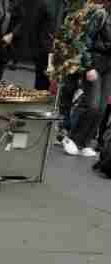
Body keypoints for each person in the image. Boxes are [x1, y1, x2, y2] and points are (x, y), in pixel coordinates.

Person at [67, 0, 111, 155]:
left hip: (109, 67)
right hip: (95, 63)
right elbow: (85, 40)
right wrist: (89, 66)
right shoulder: (101, 14)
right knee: (92, 104)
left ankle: (86, 142)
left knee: (102, 108)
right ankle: (73, 138)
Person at [53, 0, 99, 143]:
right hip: (71, 54)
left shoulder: (96, 9)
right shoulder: (76, 6)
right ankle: (63, 127)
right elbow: (66, 28)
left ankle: (70, 128)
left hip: (85, 54)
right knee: (68, 91)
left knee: (84, 96)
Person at [9, 0, 56, 89]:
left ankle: (41, 92)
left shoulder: (42, 4)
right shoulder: (45, 5)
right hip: (43, 43)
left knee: (42, 72)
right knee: (43, 72)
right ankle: (41, 92)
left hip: (41, 42)